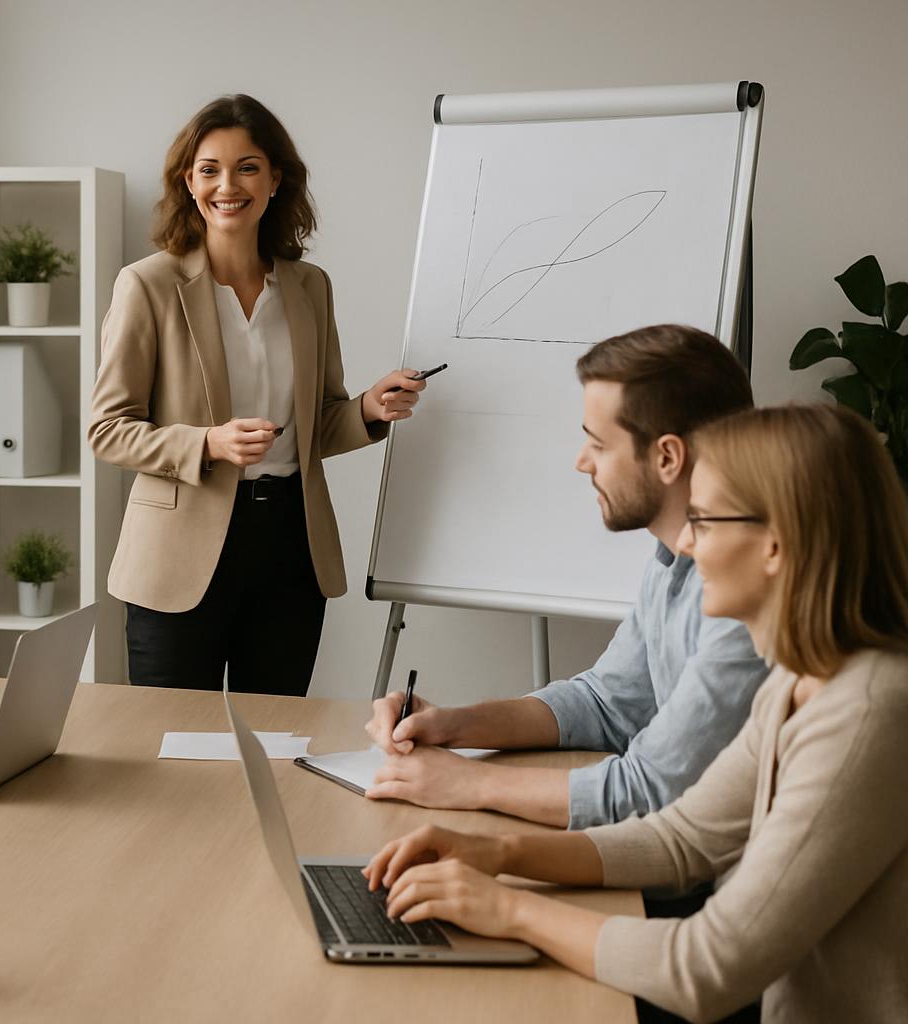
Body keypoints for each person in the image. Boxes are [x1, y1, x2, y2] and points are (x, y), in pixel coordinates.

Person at [363, 403, 908, 1024]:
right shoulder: (800, 680)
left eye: (701, 521)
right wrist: (499, 853)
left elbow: (707, 967)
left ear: (776, 545)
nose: (681, 542)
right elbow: (682, 839)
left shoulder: (867, 713)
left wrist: (509, 909)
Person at [364, 325, 768, 828]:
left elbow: (655, 789)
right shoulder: (671, 560)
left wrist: (468, 784)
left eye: (598, 445)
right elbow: (604, 704)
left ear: (666, 457)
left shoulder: (746, 596)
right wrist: (452, 725)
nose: (581, 463)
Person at [88, 94, 426, 696]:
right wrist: (209, 443)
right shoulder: (148, 284)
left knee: (274, 740)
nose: (228, 185)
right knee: (171, 749)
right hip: (178, 552)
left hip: (290, 547)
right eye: (209, 168)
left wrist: (369, 409)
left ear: (275, 180)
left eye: (247, 167)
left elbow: (317, 421)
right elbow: (108, 428)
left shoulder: (308, 287)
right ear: (188, 182)